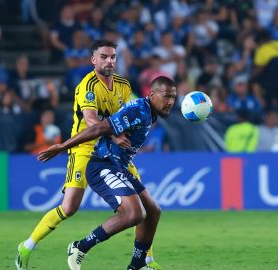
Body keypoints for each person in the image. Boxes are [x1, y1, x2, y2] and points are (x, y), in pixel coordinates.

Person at [15, 40, 163, 270]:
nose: (109, 61)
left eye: (113, 57)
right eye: (104, 56)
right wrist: (114, 135)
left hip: (114, 152)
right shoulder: (87, 85)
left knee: (145, 205)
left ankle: (145, 260)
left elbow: (128, 113)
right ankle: (28, 245)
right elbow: (92, 121)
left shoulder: (123, 85)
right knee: (69, 207)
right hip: (84, 147)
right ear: (93, 60)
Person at [37, 76, 177, 270]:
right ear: (152, 94)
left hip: (119, 165)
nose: (170, 102)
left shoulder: (149, 113)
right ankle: (80, 247)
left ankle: (137, 265)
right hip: (102, 165)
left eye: (173, 97)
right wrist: (62, 146)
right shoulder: (139, 109)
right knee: (134, 213)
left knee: (153, 211)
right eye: (166, 96)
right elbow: (99, 128)